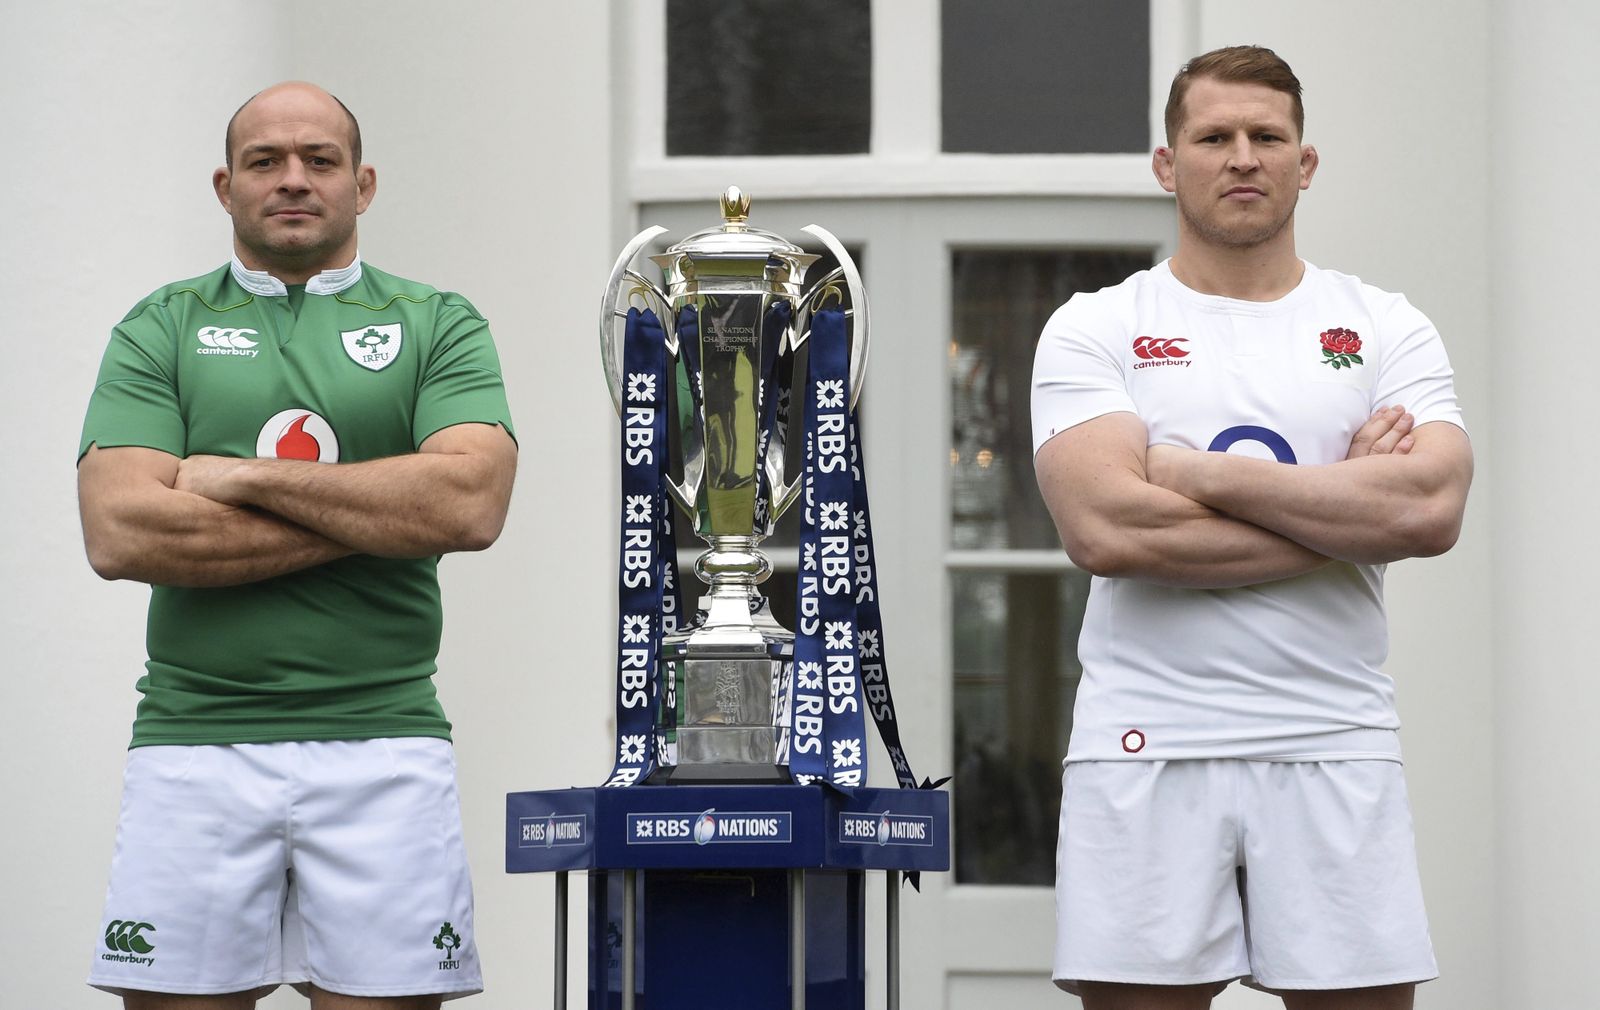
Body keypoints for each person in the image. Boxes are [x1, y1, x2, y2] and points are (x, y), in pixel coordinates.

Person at [1031, 46, 1473, 1010]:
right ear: (1166, 162)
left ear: (1303, 163)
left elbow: (1431, 508)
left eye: (1267, 137)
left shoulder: (1385, 325)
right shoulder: (1095, 326)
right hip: (1148, 739)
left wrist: (1192, 473)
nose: (1243, 157)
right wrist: (1350, 508)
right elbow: (1112, 532)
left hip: (1336, 734)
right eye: (1214, 137)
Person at [77, 81, 518, 1009]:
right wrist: (381, 509)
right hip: (194, 740)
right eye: (264, 161)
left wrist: (239, 476)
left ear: (362, 185)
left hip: (385, 741)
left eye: (319, 161)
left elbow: (470, 505)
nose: (293, 180)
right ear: (223, 185)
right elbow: (120, 531)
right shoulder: (163, 325)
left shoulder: (438, 322)